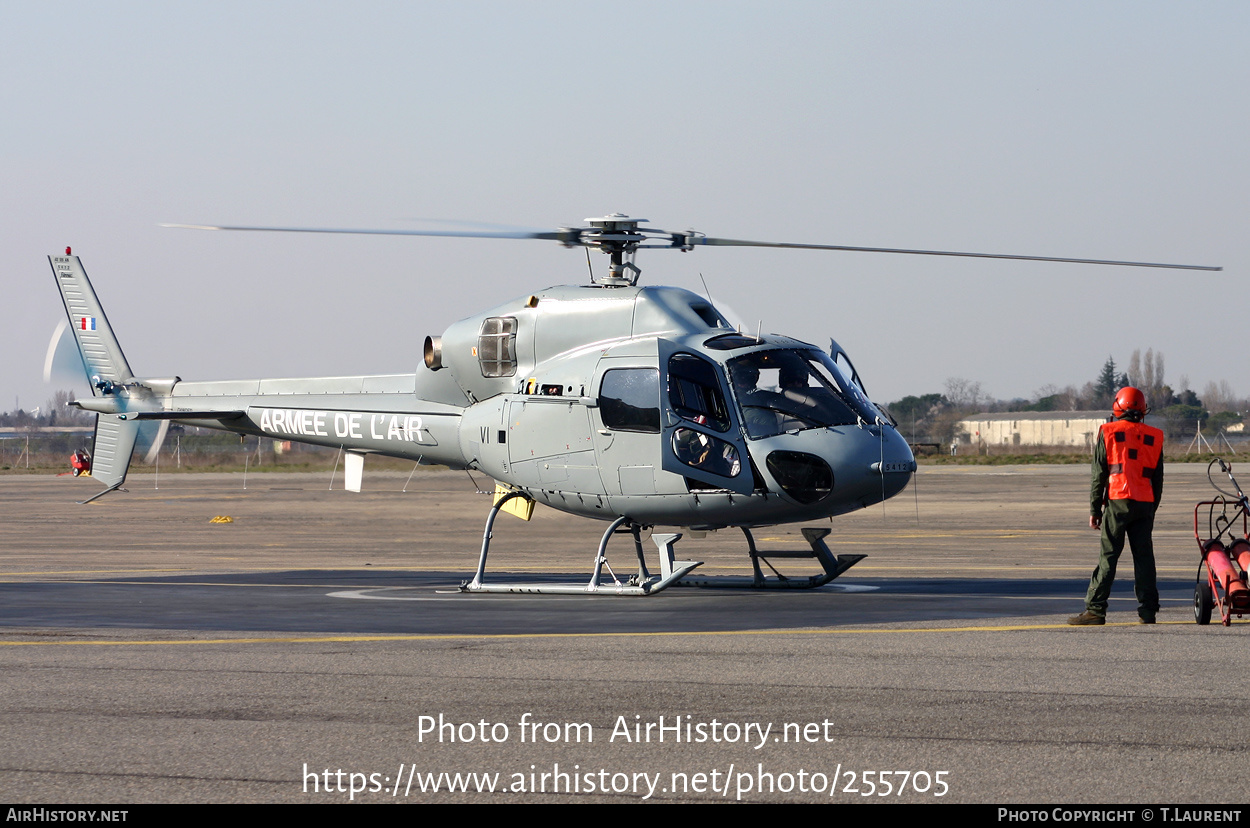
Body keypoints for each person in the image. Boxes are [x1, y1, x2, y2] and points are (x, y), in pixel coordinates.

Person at [1069, 387, 1165, 625]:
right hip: (1144, 504)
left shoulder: (1108, 432)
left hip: (1118, 501)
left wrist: (1094, 510)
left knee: (1109, 557)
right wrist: (1151, 509)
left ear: (1118, 407)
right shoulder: (1155, 436)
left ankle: (1095, 609)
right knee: (1144, 558)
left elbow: (1098, 475)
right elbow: (1158, 479)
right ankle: (1148, 611)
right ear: (1142, 409)